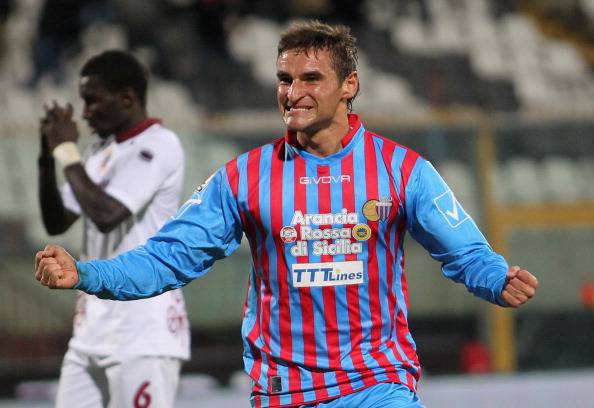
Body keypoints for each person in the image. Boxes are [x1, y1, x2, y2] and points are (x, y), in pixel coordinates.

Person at [35, 21, 538, 408]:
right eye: (284, 79)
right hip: (284, 392)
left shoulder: (401, 169)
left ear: (349, 85)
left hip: (376, 385)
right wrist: (86, 273)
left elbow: (464, 251)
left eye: (310, 78)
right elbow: (166, 258)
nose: (292, 92)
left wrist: (496, 278)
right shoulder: (244, 177)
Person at [37, 50, 189, 407]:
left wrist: (66, 150)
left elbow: (107, 214)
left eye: (92, 100)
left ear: (127, 99)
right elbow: (56, 221)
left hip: (142, 329)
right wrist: (47, 157)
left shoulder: (159, 144)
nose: (85, 112)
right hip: (91, 330)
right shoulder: (98, 152)